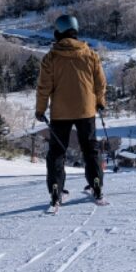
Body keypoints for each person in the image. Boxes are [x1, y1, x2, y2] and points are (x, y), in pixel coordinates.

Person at [36, 14, 108, 211]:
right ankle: (96, 185)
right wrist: (100, 102)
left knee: (57, 152)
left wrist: (40, 109)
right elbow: (100, 82)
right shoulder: (90, 54)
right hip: (86, 110)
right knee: (90, 149)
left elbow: (44, 87)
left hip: (60, 113)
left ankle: (56, 189)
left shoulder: (50, 58)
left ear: (58, 32)